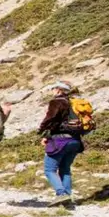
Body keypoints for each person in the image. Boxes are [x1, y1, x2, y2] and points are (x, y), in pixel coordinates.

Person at [38, 81, 89, 209]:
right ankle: (68, 198)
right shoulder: (74, 102)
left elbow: (51, 119)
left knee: (49, 170)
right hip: (75, 141)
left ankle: (61, 194)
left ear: (59, 90)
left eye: (54, 88)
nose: (52, 91)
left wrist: (42, 131)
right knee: (65, 169)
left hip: (59, 141)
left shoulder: (57, 102)